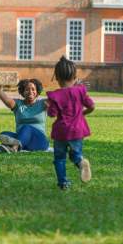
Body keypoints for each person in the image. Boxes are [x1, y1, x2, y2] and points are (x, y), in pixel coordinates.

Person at [47, 56, 95, 190]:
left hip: (61, 132)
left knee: (59, 158)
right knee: (75, 154)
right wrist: (81, 114)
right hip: (77, 131)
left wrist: (49, 105)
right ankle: (80, 162)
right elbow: (92, 106)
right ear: (75, 77)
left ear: (57, 78)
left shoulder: (55, 95)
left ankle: (63, 183)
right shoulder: (80, 90)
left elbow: (52, 114)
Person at [0, 77, 49, 152]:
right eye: (27, 89)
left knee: (27, 128)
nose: (30, 92)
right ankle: (19, 144)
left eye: (33, 89)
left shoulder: (43, 103)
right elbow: (7, 100)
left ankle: (14, 147)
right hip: (24, 140)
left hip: (40, 142)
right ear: (22, 92)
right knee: (4, 134)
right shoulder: (18, 104)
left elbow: (58, 98)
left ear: (37, 92)